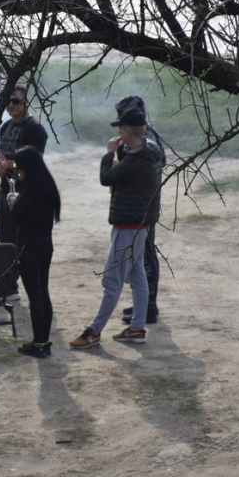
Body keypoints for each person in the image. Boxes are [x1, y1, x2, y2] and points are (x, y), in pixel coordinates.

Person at [69, 108, 162, 348]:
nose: (118, 132)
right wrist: (120, 155)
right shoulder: (150, 150)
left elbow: (107, 177)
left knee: (112, 281)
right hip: (141, 225)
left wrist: (109, 154)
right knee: (138, 275)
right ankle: (137, 328)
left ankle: (94, 331)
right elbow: (127, 172)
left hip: (127, 226)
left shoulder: (134, 159)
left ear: (127, 131)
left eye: (120, 128)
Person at [0, 83, 48, 302]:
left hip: (26, 191)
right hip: (6, 189)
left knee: (23, 239)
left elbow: (33, 160)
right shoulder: (5, 127)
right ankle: (10, 286)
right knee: (6, 239)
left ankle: (30, 286)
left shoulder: (35, 129)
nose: (11, 106)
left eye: (15, 101)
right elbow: (2, 154)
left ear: (26, 102)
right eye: (7, 102)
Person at [114, 95, 166, 325]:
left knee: (146, 256)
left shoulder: (147, 135)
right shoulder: (141, 134)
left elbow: (156, 162)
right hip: (139, 204)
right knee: (141, 257)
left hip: (143, 206)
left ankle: (149, 307)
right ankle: (143, 305)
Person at [8, 146, 61, 358]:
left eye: (18, 168)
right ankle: (44, 341)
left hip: (29, 247)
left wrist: (12, 203)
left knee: (35, 297)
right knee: (43, 293)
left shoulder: (29, 190)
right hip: (45, 245)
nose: (17, 172)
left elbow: (16, 216)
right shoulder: (46, 186)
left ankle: (39, 343)